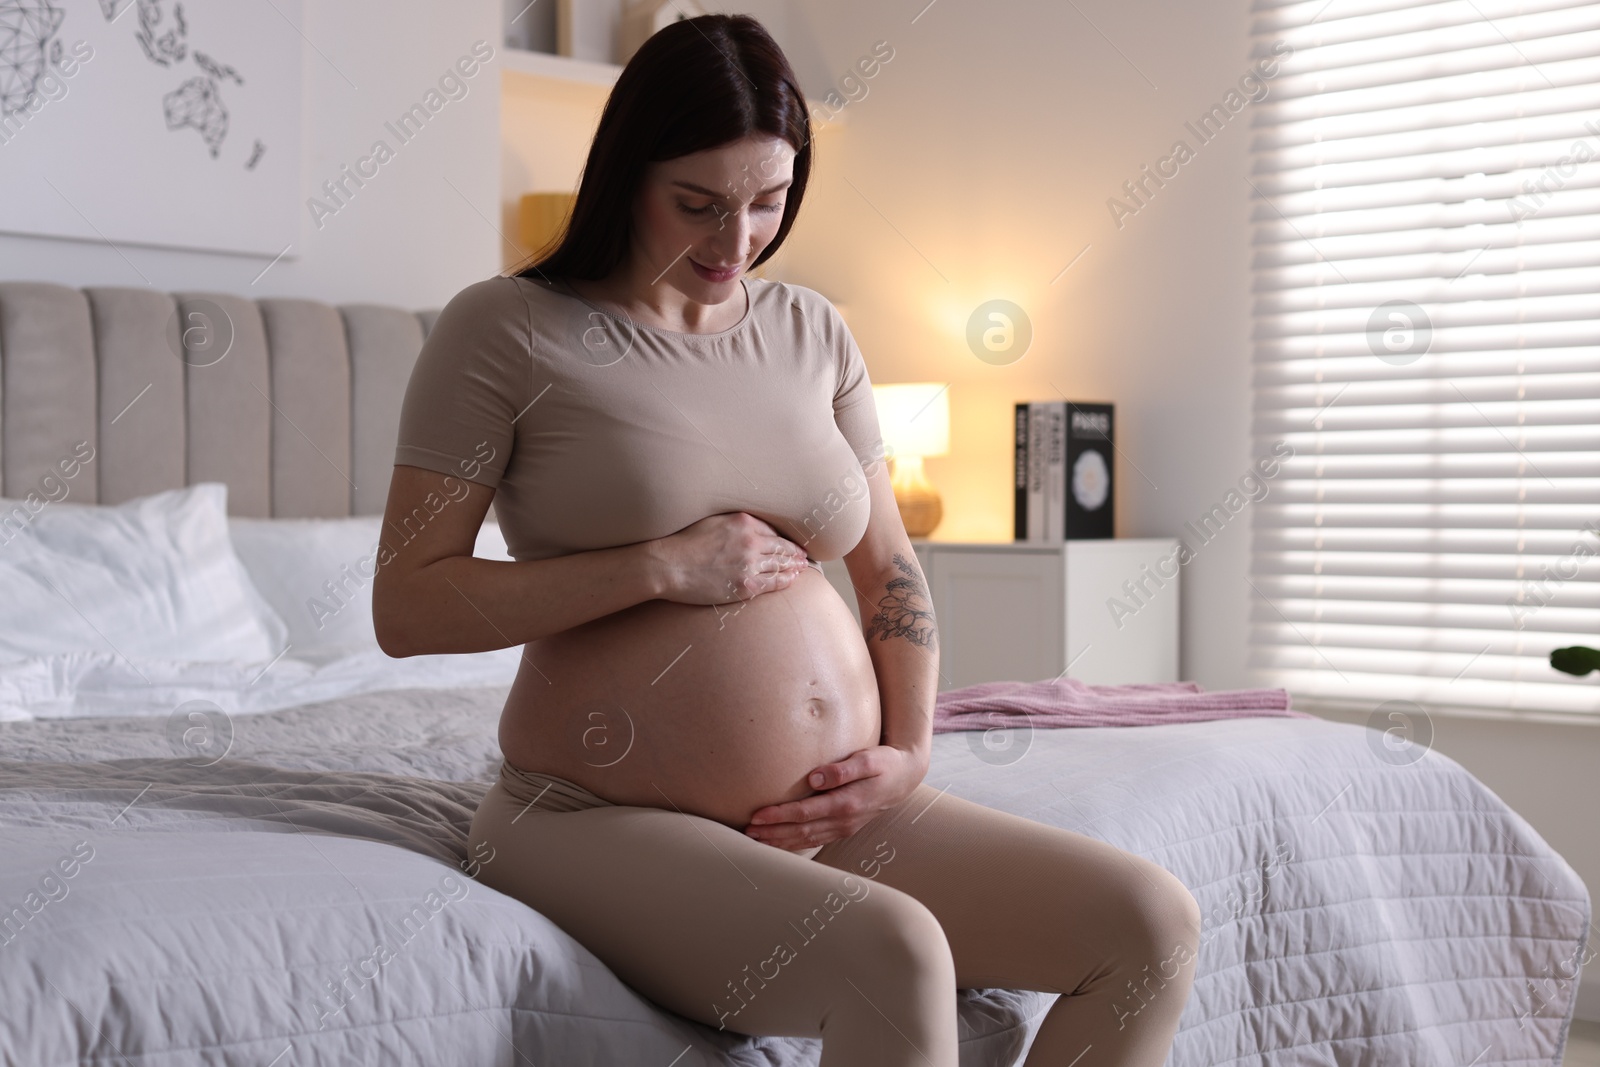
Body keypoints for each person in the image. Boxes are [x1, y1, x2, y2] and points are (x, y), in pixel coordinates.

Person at [373, 14, 1199, 1066]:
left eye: (768, 203)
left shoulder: (812, 332)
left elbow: (890, 570)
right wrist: (658, 566)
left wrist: (906, 751)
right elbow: (406, 605)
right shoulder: (506, 329)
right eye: (699, 204)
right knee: (893, 947)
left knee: (1148, 925)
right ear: (627, 173)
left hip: (836, 807)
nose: (734, 241)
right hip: (590, 812)